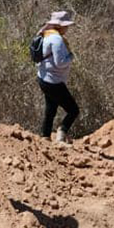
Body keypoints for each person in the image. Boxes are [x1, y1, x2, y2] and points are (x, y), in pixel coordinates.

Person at [36, 11, 80, 144]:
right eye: (66, 25)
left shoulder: (46, 35)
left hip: (43, 78)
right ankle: (61, 132)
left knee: (51, 108)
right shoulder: (57, 39)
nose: (67, 28)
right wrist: (71, 56)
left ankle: (45, 136)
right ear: (60, 26)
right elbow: (60, 62)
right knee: (73, 110)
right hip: (53, 81)